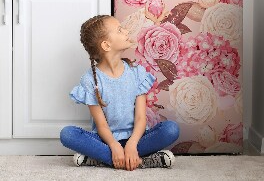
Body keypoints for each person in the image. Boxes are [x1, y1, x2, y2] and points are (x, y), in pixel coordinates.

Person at [60, 15, 180, 171]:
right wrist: (114, 145)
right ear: (106, 45)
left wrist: (132, 144)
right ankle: (141, 161)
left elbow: (140, 117)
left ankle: (104, 159)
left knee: (171, 129)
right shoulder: (90, 80)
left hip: (137, 138)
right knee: (67, 134)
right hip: (106, 140)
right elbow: (102, 125)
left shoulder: (136, 72)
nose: (126, 31)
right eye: (119, 29)